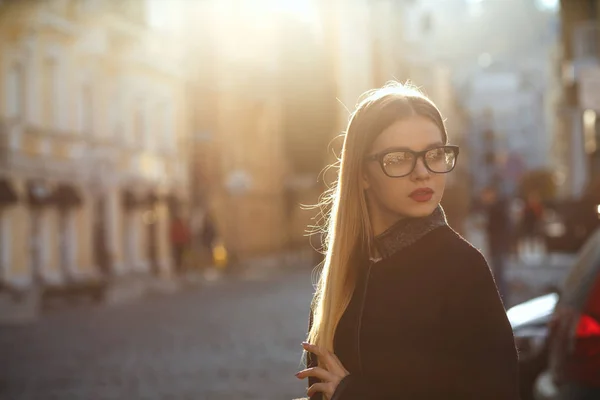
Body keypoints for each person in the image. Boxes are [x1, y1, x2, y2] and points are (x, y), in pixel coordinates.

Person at [295, 83, 518, 400]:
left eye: (434, 154)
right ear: (362, 174)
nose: (422, 172)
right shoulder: (341, 278)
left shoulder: (463, 270)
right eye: (398, 158)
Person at [482, 185, 512, 303]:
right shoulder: (496, 208)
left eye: (486, 195)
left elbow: (498, 228)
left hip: (498, 245)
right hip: (497, 245)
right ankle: (501, 297)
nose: (484, 198)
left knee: (499, 273)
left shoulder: (496, 209)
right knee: (498, 272)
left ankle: (502, 298)